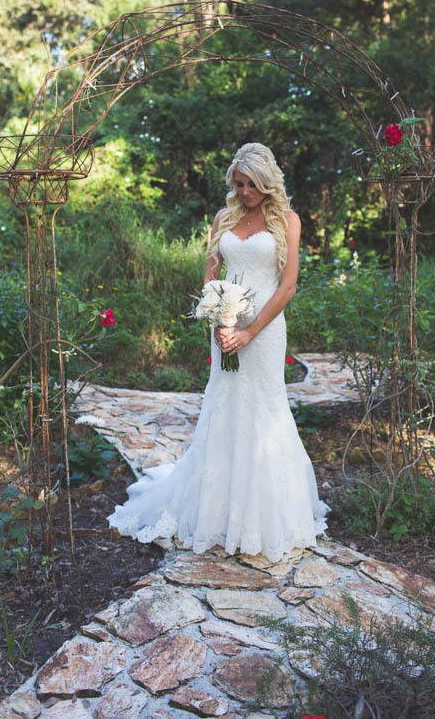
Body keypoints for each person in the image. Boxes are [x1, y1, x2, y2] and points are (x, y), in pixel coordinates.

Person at [108, 142, 329, 561]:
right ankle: (215, 510)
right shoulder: (224, 218)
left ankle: (264, 515)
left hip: (264, 330)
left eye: (250, 185)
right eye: (238, 184)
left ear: (267, 182)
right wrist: (219, 321)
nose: (243, 192)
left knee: (265, 411)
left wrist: (249, 333)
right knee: (223, 407)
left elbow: (288, 286)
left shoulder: (288, 220)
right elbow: (211, 275)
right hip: (225, 325)